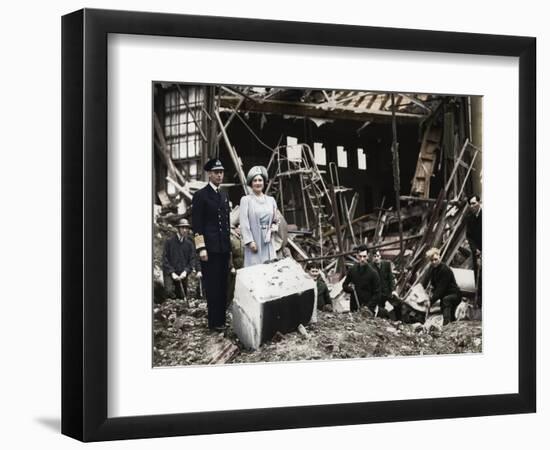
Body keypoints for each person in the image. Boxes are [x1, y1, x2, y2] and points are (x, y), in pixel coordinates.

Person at [191, 159, 231, 331]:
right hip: (209, 249)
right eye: (216, 172)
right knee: (212, 286)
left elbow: (226, 223)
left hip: (223, 248)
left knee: (223, 285)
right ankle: (214, 323)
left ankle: (221, 320)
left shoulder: (223, 195)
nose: (219, 175)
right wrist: (201, 248)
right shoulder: (200, 195)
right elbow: (197, 225)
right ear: (209, 174)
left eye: (221, 172)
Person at [239, 165, 278, 267]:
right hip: (255, 239)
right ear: (251, 183)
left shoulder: (271, 200)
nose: (258, 183)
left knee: (269, 268)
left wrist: (272, 229)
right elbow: (244, 222)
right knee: (255, 269)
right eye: (255, 180)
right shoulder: (246, 200)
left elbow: (275, 219)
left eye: (260, 180)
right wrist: (250, 241)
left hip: (268, 240)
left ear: (264, 182)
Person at [423, 247, 461, 325]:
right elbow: (426, 280)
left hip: (454, 294)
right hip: (444, 294)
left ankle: (446, 325)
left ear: (440, 257)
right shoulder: (431, 268)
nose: (434, 262)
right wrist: (423, 293)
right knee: (445, 305)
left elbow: (441, 289)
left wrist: (431, 300)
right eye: (431, 260)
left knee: (446, 301)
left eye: (436, 259)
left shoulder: (445, 270)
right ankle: (451, 324)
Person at [162, 218, 198, 300]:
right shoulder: (169, 242)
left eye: (186, 228)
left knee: (182, 296)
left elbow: (192, 260)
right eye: (182, 228)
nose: (185, 230)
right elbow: (165, 259)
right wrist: (172, 273)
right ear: (178, 229)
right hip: (170, 273)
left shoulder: (189, 244)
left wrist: (185, 271)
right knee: (169, 292)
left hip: (182, 273)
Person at [342, 245, 382, 315]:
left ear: (368, 256)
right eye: (360, 256)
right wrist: (350, 289)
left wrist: (368, 307)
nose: (362, 259)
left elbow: (377, 294)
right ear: (357, 256)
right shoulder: (352, 270)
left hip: (367, 310)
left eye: (364, 256)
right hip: (354, 307)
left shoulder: (373, 273)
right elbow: (344, 285)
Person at [371, 250, 400, 320]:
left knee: (398, 303)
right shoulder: (370, 267)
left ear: (380, 256)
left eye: (378, 256)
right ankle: (386, 321)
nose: (376, 258)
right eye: (374, 256)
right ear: (372, 258)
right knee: (381, 311)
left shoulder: (386, 264)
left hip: (388, 292)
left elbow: (391, 278)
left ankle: (399, 320)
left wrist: (393, 290)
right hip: (378, 294)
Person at [465, 194, 482, 278]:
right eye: (470, 204)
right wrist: (475, 249)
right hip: (476, 252)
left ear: (479, 203)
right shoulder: (469, 218)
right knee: (478, 276)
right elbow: (469, 236)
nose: (472, 206)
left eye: (474, 203)